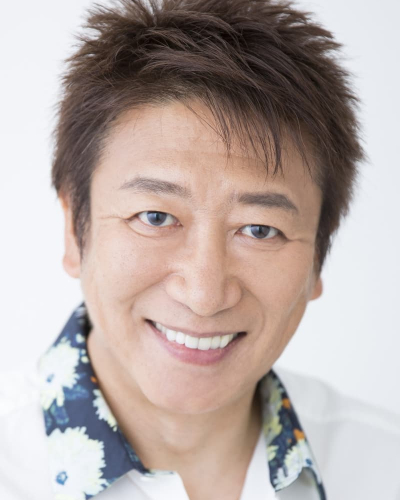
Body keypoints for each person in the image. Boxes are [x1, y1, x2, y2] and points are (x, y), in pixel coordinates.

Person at [1, 0, 399, 499]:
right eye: (155, 217)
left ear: (319, 254)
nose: (205, 295)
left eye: (259, 229)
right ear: (73, 230)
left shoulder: (385, 468)